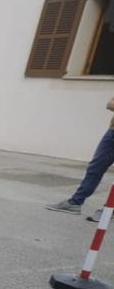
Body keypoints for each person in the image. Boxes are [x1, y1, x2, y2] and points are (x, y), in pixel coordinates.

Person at [46, 94, 114, 222]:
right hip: (112, 132)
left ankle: (110, 210)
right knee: (95, 167)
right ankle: (75, 203)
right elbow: (110, 103)